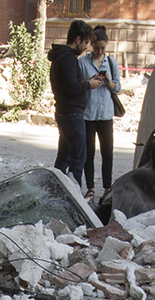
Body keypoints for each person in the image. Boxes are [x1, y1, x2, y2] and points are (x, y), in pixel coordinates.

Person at [49, 19, 103, 185]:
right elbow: (72, 88)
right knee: (78, 157)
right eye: (86, 42)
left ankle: (55, 192)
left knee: (63, 158)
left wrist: (86, 82)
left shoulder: (61, 57)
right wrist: (89, 84)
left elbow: (69, 85)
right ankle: (73, 193)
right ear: (78, 40)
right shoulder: (68, 58)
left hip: (65, 112)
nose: (86, 47)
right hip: (72, 113)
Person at [79, 26, 121, 202]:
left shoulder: (111, 62)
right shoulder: (83, 62)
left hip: (105, 114)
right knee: (88, 153)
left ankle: (107, 187)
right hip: (88, 114)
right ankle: (90, 187)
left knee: (107, 153)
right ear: (92, 45)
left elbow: (118, 87)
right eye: (97, 48)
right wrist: (90, 80)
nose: (100, 51)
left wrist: (108, 82)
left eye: (103, 48)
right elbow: (78, 84)